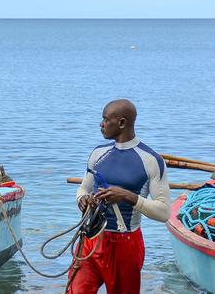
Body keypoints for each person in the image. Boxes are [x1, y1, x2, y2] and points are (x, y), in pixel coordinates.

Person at [70, 99, 171, 294]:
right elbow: (83, 188)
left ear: (122, 123)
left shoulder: (151, 160)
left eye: (106, 120)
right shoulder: (98, 153)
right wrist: (82, 200)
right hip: (91, 237)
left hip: (125, 244)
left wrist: (128, 196)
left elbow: (164, 212)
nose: (101, 124)